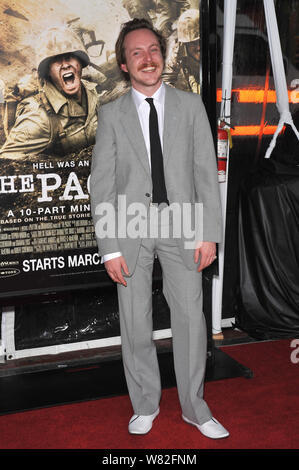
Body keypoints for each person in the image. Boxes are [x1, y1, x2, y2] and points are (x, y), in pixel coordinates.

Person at [90, 18, 229, 439]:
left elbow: (206, 173)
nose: (147, 59)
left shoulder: (190, 107)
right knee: (135, 321)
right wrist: (110, 247)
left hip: (183, 223)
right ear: (124, 64)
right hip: (129, 226)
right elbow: (103, 184)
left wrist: (209, 232)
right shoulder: (111, 114)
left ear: (162, 56)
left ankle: (194, 407)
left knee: (191, 317)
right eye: (137, 53)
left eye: (153, 50)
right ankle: (145, 404)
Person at [0, 27, 99, 159]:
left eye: (69, 57)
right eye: (57, 60)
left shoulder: (93, 93)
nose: (65, 65)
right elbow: (6, 161)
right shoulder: (38, 118)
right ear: (48, 72)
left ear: (80, 62)